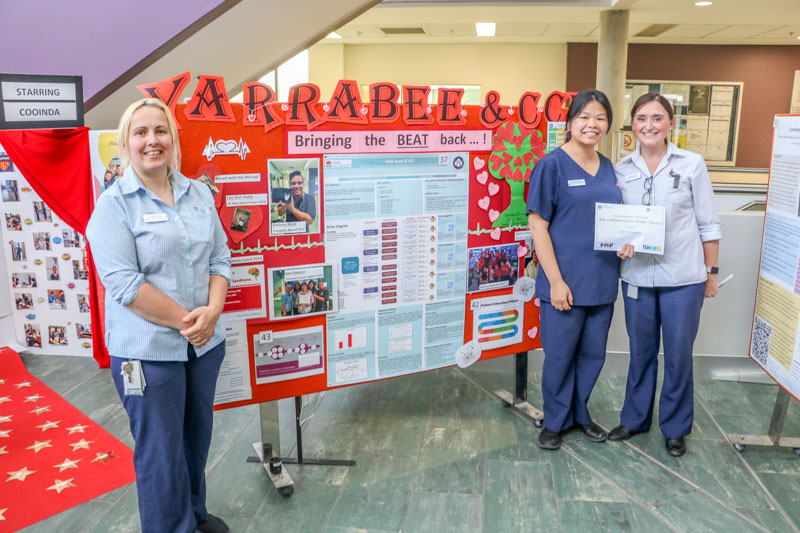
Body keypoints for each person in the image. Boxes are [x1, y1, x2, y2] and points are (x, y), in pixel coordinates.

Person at [86, 98, 232, 533]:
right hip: (148, 353)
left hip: (203, 347)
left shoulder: (198, 191)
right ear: (126, 143)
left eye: (160, 131)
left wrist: (214, 311)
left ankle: (194, 518)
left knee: (194, 441)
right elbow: (126, 285)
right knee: (159, 452)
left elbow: (221, 259)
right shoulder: (113, 206)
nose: (153, 140)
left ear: (173, 138)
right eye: (141, 132)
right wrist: (191, 321)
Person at [609, 93, 721, 458]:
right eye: (641, 118)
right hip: (638, 277)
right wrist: (618, 243)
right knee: (640, 354)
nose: (649, 125)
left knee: (678, 355)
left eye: (658, 118)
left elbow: (708, 223)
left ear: (671, 123)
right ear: (632, 124)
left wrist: (711, 273)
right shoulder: (621, 169)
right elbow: (615, 223)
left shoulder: (691, 164)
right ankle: (635, 419)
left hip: (684, 279)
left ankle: (674, 427)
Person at [526, 89, 634, 451]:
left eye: (600, 118)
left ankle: (579, 415)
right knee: (559, 355)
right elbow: (538, 225)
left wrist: (630, 240)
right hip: (564, 281)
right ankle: (554, 422)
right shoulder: (552, 165)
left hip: (602, 278)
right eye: (585, 116)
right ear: (570, 123)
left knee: (592, 355)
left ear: (608, 125)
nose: (593, 124)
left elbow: (617, 220)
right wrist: (555, 281)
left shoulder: (608, 168)